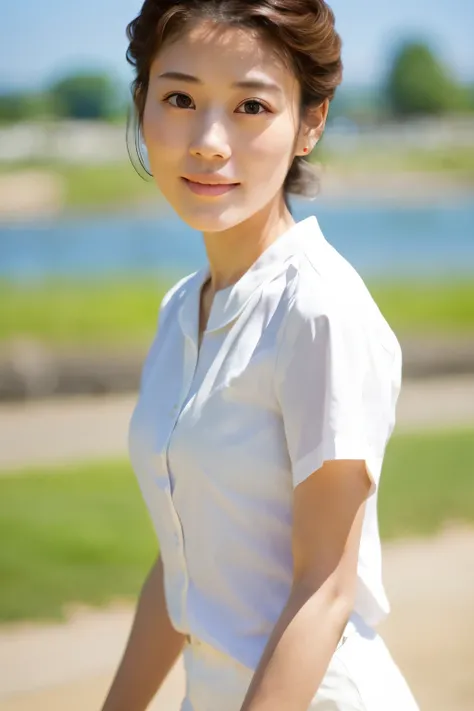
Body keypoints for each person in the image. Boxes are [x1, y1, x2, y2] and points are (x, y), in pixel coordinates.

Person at [102, 1, 420, 710]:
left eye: (251, 106)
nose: (210, 142)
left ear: (311, 122)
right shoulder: (182, 307)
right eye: (179, 97)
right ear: (142, 104)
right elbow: (187, 558)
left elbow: (326, 589)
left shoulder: (319, 309)